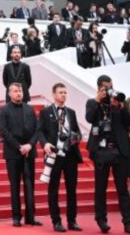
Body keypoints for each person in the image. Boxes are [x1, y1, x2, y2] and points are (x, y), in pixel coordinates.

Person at [86, 81, 130, 234]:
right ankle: (101, 220)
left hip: (119, 152)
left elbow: (129, 122)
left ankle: (128, 222)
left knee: (122, 189)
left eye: (110, 86)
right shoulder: (93, 102)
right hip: (101, 151)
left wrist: (120, 106)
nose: (109, 90)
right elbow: (89, 118)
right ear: (99, 88)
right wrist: (97, 100)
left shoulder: (117, 104)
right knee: (100, 188)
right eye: (105, 88)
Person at [37, 83, 82, 232]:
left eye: (65, 93)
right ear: (54, 95)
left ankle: (72, 220)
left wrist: (75, 137)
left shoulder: (71, 112)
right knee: (53, 189)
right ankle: (56, 221)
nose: (64, 95)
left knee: (71, 189)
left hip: (70, 155)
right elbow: (39, 132)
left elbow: (78, 133)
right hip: (54, 155)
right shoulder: (46, 112)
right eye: (61, 92)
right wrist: (45, 144)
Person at [0, 82, 41, 227]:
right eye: (16, 91)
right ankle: (16, 217)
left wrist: (30, 145)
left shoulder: (30, 109)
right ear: (10, 94)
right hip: (12, 153)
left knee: (30, 185)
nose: (19, 93)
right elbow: (4, 132)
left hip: (29, 152)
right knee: (15, 186)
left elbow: (37, 130)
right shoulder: (4, 110)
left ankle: (31, 217)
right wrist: (19, 147)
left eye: (20, 91)